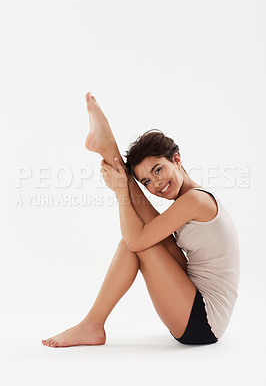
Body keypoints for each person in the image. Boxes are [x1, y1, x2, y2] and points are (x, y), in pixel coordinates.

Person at [41, 92, 240, 347]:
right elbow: (147, 233)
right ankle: (108, 146)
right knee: (143, 235)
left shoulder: (195, 201)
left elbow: (136, 241)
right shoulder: (190, 200)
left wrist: (122, 191)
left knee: (132, 242)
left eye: (158, 169)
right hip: (191, 300)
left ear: (176, 159)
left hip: (203, 323)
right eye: (146, 181)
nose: (156, 184)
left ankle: (92, 325)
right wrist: (125, 185)